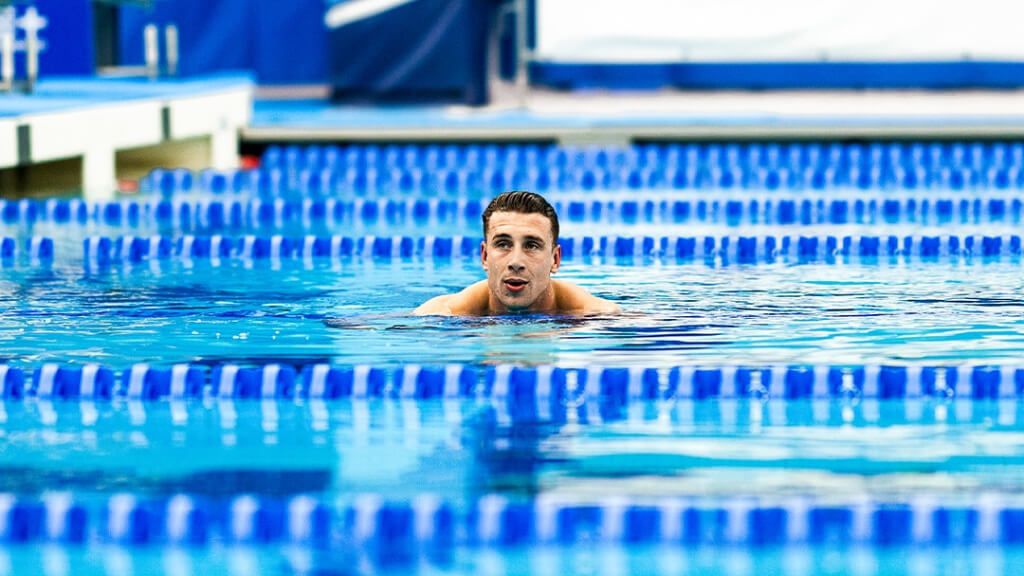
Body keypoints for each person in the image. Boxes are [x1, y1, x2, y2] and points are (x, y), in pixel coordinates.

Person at [414, 191, 621, 316]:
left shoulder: (596, 316)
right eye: (503, 244)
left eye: (532, 245)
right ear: (484, 256)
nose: (516, 262)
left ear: (555, 259)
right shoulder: (441, 314)